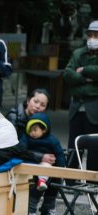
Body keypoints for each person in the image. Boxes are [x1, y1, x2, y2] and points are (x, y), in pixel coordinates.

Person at [63, 20, 98, 173]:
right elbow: (68, 74)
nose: (92, 38)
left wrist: (84, 69)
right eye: (90, 34)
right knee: (73, 144)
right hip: (77, 105)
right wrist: (87, 79)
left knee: (94, 145)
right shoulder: (78, 52)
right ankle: (71, 179)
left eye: (96, 35)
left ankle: (92, 179)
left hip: (94, 105)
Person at [21, 113, 66, 215]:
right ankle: (29, 212)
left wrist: (61, 169)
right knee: (37, 184)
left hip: (48, 168)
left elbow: (59, 153)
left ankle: (47, 210)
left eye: (35, 130)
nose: (32, 133)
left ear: (44, 129)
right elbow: (21, 150)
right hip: (31, 166)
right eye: (30, 130)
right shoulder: (26, 138)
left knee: (55, 180)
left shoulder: (52, 139)